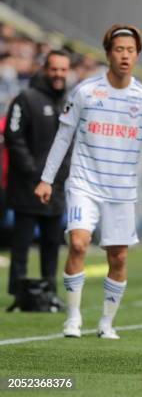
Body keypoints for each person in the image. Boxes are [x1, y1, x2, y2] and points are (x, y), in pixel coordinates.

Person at [34, 24, 142, 339]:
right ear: (108, 53)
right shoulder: (85, 92)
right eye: (119, 50)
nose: (124, 56)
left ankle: (106, 322)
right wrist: (46, 179)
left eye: (130, 51)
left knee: (117, 256)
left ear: (136, 56)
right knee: (78, 244)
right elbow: (63, 137)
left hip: (121, 190)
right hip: (84, 183)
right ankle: (73, 317)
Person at [4, 50, 71, 306]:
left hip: (56, 188)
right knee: (21, 244)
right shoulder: (26, 98)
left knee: (52, 244)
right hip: (26, 186)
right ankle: (18, 293)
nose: (59, 75)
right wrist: (34, 172)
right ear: (45, 69)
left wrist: (58, 176)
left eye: (63, 70)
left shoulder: (69, 101)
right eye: (54, 69)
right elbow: (14, 137)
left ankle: (49, 292)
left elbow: (73, 142)